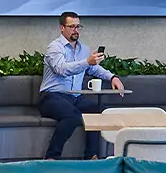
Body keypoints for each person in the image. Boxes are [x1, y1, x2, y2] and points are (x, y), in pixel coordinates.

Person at [38, 11, 123, 159]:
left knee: (96, 112)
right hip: (52, 97)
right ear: (62, 28)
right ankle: (51, 157)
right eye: (72, 26)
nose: (76, 30)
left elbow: (94, 68)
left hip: (75, 97)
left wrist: (112, 77)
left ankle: (91, 155)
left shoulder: (83, 49)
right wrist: (87, 62)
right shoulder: (55, 47)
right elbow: (62, 69)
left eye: (78, 26)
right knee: (72, 116)